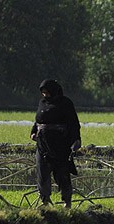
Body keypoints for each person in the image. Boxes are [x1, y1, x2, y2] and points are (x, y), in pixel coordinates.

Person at [30, 79, 81, 208]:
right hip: (43, 144)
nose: (45, 95)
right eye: (43, 93)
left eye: (47, 93)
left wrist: (76, 140)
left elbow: (73, 123)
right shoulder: (42, 103)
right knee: (42, 173)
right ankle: (45, 200)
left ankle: (67, 202)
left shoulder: (65, 104)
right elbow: (38, 121)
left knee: (62, 174)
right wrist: (33, 132)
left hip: (60, 145)